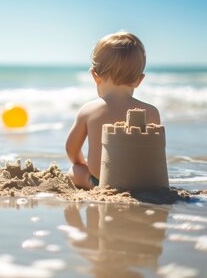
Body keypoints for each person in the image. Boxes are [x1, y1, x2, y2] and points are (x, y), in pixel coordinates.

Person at [65, 31, 161, 190]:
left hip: (101, 183)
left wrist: (81, 163)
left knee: (74, 171)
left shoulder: (89, 110)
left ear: (95, 76)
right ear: (139, 80)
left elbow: (71, 148)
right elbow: (154, 155)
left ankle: (90, 182)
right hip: (142, 183)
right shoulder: (151, 112)